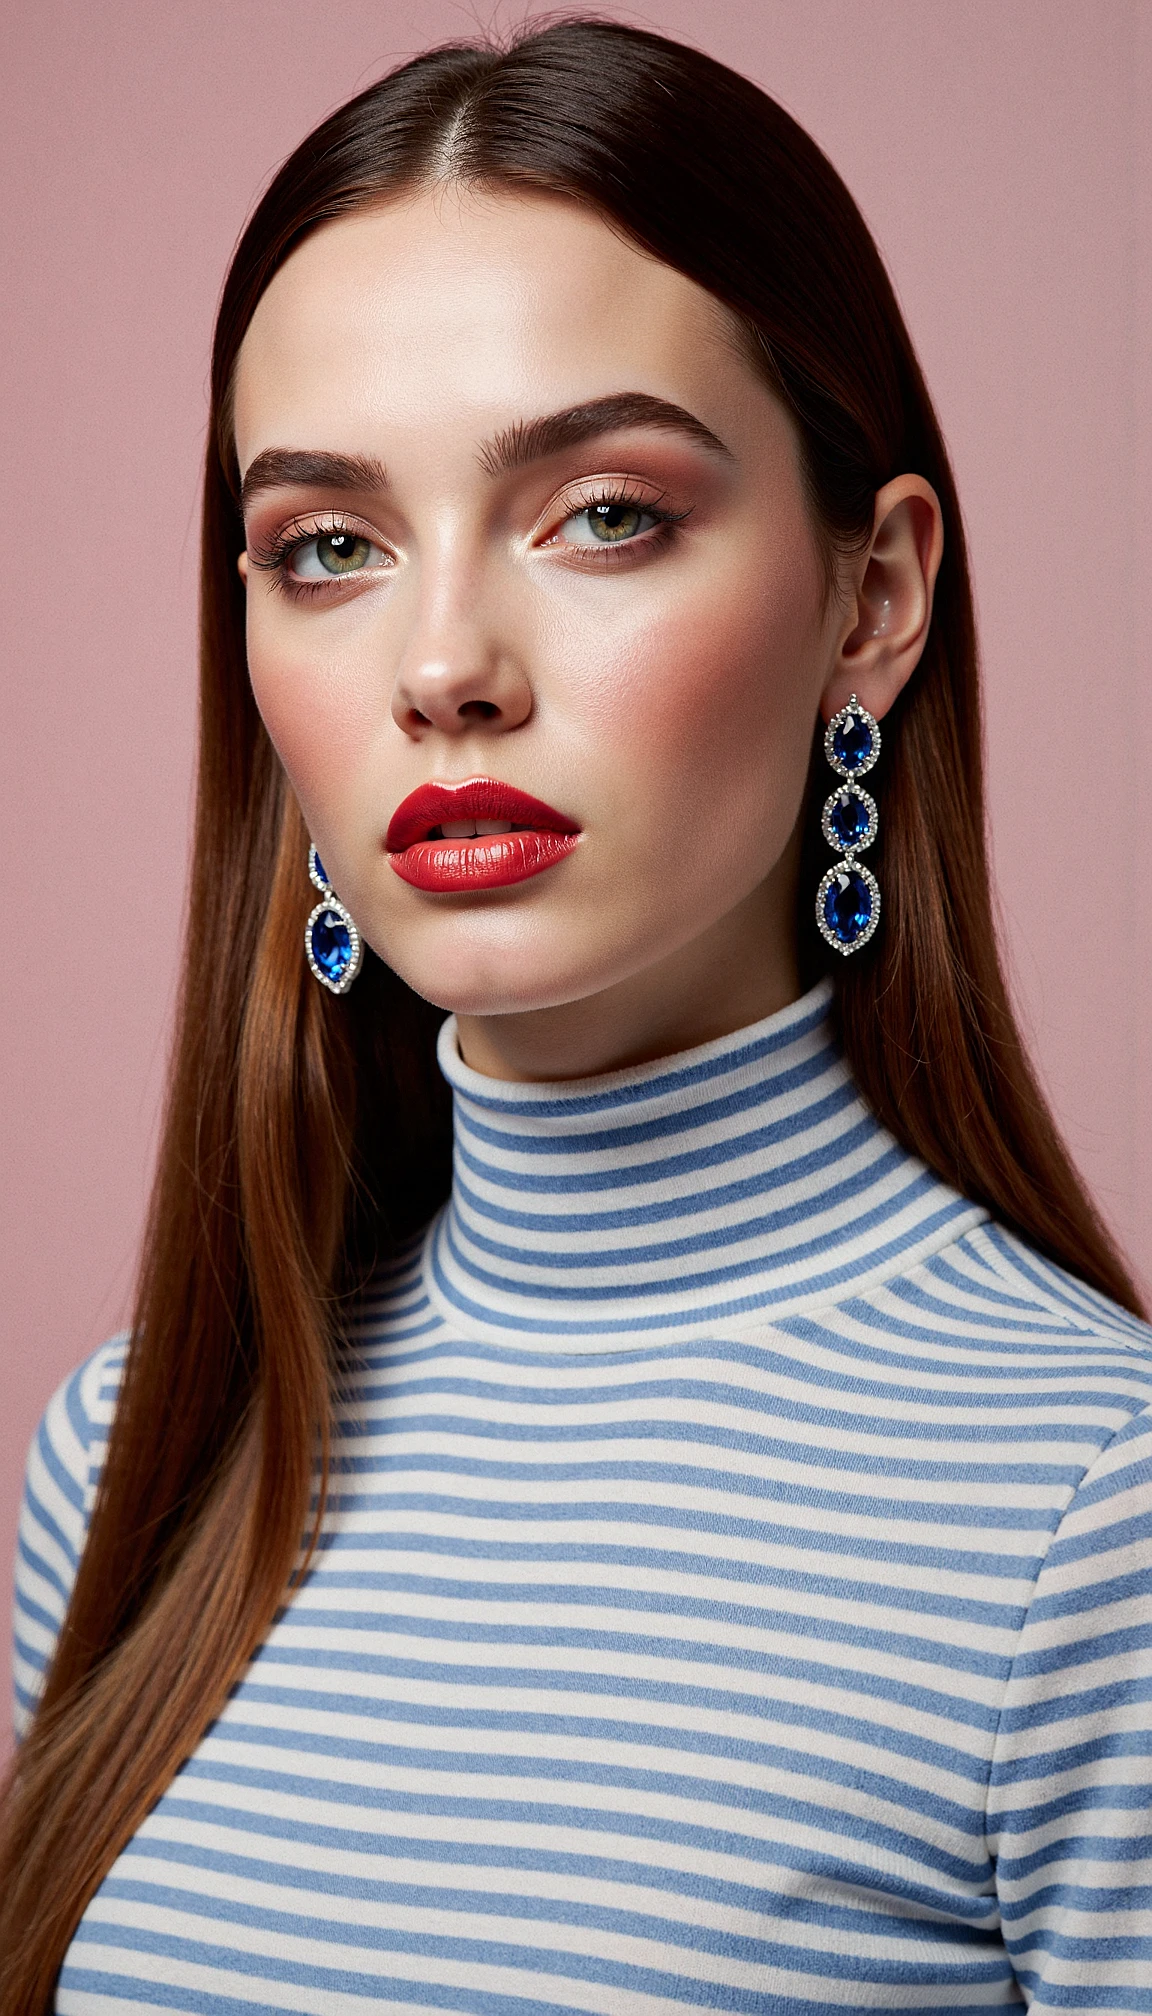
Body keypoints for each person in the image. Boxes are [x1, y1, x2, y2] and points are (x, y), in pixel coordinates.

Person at [5, 19, 1151, 2014]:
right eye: (328, 548)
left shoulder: (1098, 1521)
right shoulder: (133, 1454)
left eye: (602, 512)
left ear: (871, 595)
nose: (444, 662)